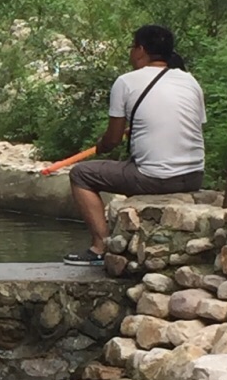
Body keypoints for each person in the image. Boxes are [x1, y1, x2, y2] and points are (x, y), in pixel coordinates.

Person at [62, 24, 206, 266]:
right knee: (131, 167)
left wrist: (102, 143)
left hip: (156, 177)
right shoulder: (191, 82)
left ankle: (100, 247)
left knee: (81, 174)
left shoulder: (126, 82)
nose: (130, 53)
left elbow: (112, 140)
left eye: (132, 47)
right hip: (193, 175)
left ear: (140, 50)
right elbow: (190, 124)